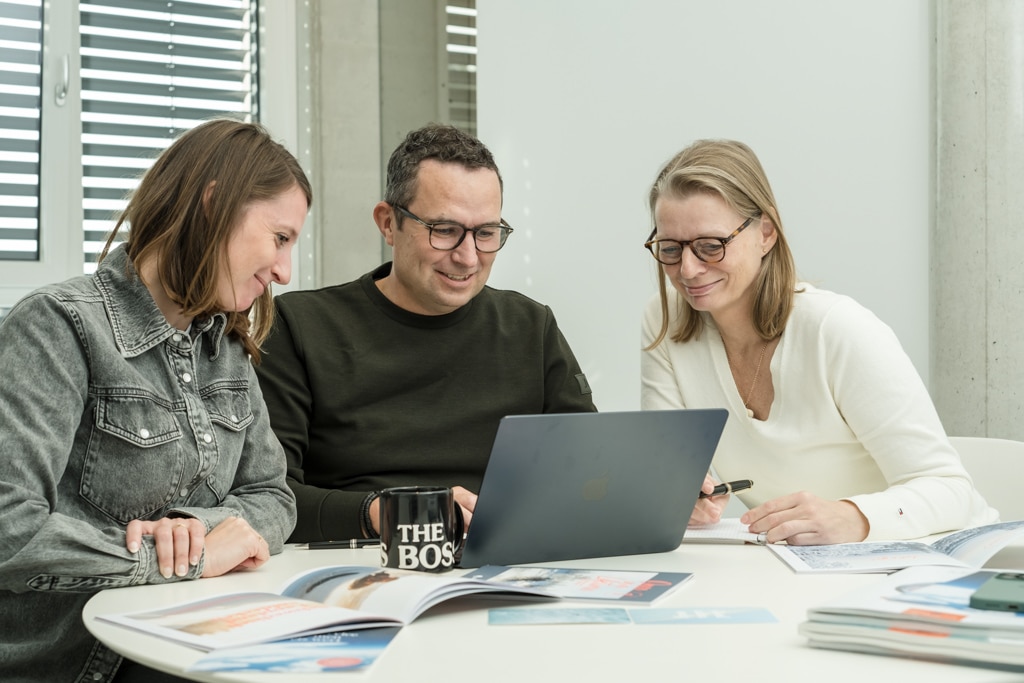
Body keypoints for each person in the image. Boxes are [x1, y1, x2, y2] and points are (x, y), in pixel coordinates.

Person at [0, 118, 310, 682]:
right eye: (280, 238)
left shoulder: (227, 348)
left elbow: (271, 496)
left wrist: (195, 525)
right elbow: (8, 529)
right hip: (80, 665)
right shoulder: (57, 327)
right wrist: (178, 559)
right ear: (214, 206)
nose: (285, 271)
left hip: (194, 641)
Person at [640, 138, 996, 545]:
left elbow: (951, 490)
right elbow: (665, 470)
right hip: (803, 570)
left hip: (938, 562)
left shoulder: (837, 329)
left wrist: (855, 516)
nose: (688, 269)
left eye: (710, 246)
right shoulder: (664, 319)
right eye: (669, 248)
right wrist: (678, 493)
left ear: (766, 233)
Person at [256, 123, 596, 542]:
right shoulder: (299, 325)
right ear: (388, 224)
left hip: (500, 561)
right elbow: (268, 498)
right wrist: (391, 513)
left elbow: (589, 469)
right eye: (445, 230)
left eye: (487, 233)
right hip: (362, 565)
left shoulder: (530, 326)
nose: (468, 256)